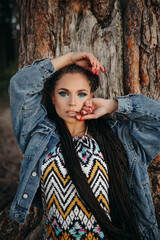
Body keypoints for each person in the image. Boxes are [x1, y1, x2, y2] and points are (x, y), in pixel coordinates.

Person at [9, 52, 160, 240]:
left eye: (81, 94)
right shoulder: (39, 135)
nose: (72, 103)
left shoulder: (119, 137)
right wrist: (70, 58)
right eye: (63, 93)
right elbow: (20, 85)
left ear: (91, 96)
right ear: (52, 97)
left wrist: (113, 105)